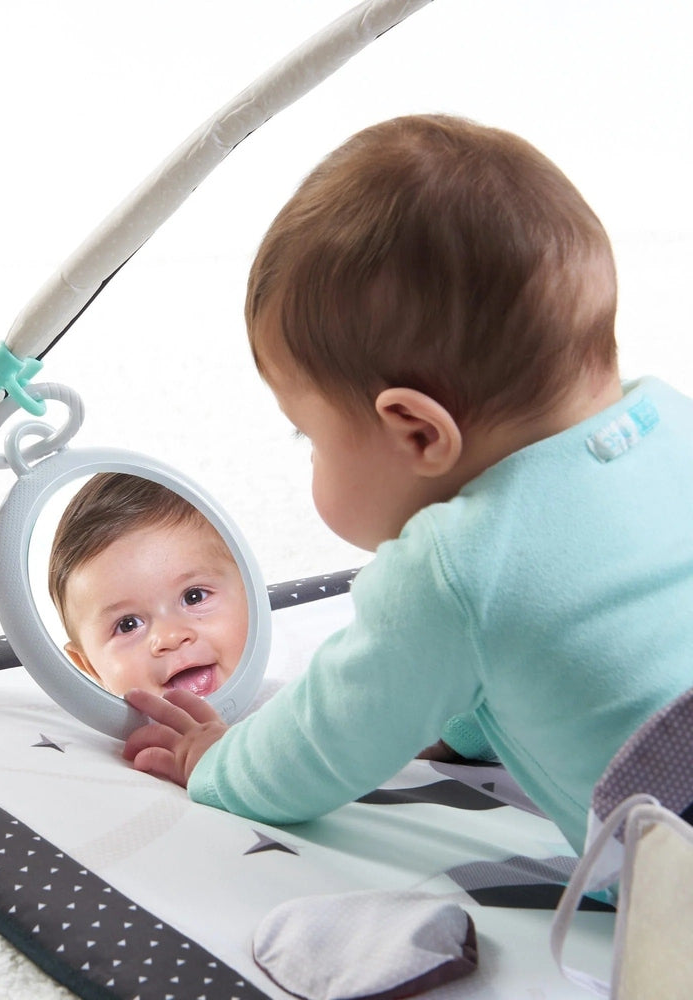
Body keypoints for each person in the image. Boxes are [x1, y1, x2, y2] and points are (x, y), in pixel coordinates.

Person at [122, 114, 693, 856]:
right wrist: (466, 727)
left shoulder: (453, 569)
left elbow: (322, 742)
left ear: (418, 433)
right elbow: (552, 633)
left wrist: (216, 763)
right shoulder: (668, 418)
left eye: (313, 437)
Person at [48, 472, 249, 698]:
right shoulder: (110, 734)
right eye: (128, 624)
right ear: (91, 668)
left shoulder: (292, 709)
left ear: (252, 596)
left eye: (194, 597)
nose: (170, 637)